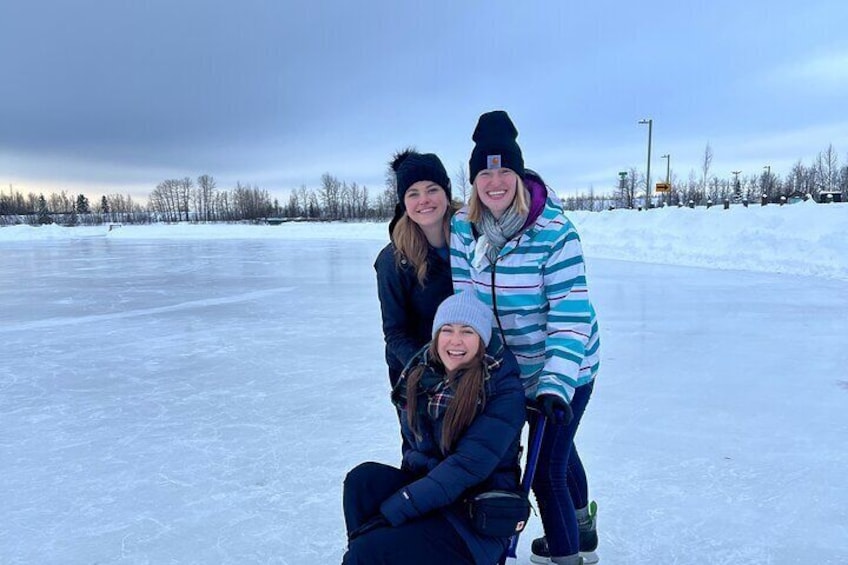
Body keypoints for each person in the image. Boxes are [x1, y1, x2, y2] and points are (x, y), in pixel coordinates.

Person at [450, 110, 601, 565]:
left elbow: (571, 317)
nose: (495, 182)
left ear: (518, 174)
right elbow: (468, 305)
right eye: (485, 172)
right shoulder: (464, 229)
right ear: (475, 180)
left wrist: (556, 385)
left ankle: (566, 554)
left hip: (568, 367)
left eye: (504, 171)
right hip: (512, 373)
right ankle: (583, 531)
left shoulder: (554, 232)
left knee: (546, 472)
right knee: (560, 448)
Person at [341, 291, 526, 565]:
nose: (455, 340)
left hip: (475, 517)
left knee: (367, 551)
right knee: (363, 481)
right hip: (436, 497)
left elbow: (464, 469)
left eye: (468, 332)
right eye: (447, 330)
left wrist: (399, 507)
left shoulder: (503, 390)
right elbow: (414, 451)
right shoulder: (424, 372)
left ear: (483, 340)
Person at [374, 149, 457, 390]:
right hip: (417, 374)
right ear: (403, 201)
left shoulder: (473, 241)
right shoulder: (392, 261)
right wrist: (428, 371)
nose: (424, 200)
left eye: (432, 189)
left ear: (447, 192)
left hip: (470, 367)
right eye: (413, 193)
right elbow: (395, 332)